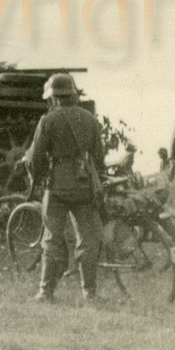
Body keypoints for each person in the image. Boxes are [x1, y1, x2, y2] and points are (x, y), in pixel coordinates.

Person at [21, 73, 105, 303]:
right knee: (87, 239)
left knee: (52, 238)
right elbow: (98, 157)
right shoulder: (90, 119)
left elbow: (36, 157)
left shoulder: (47, 121)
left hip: (57, 185)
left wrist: (35, 178)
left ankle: (46, 292)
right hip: (83, 184)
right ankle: (90, 293)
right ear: (73, 94)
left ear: (54, 98)